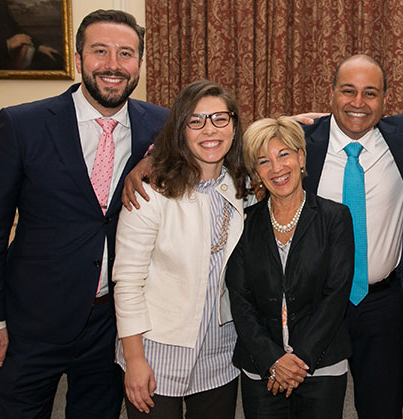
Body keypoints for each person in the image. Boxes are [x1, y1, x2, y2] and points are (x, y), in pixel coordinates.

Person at [123, 54, 403, 419]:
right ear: (331, 93)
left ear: (386, 98)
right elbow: (227, 141)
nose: (358, 102)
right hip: (311, 303)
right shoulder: (302, 139)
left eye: (370, 93)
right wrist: (154, 159)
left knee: (382, 408)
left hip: (382, 303)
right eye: (348, 90)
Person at [0, 9, 168, 418]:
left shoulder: (160, 124)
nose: (113, 65)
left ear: (140, 64)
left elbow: (222, 142)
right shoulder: (23, 125)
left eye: (126, 53)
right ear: (79, 59)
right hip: (31, 321)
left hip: (110, 322)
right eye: (100, 51)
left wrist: (303, 125)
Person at [112, 80, 247, 418]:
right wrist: (135, 360)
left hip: (220, 351)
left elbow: (281, 146)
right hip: (155, 351)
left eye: (220, 118)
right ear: (180, 129)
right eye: (196, 121)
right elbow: (127, 281)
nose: (209, 129)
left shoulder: (243, 186)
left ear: (233, 126)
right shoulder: (150, 191)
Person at [227, 116, 354, 418]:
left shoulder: (334, 217)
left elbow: (335, 296)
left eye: (284, 154)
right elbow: (240, 300)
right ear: (255, 172)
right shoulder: (244, 222)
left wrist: (299, 360)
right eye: (263, 161)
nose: (277, 168)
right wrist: (274, 360)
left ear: (300, 156)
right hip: (262, 368)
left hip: (321, 364)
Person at [0, 0, 62, 70]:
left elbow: (15, 28)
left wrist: (39, 46)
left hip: (6, 57)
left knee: (55, 60)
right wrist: (8, 44)